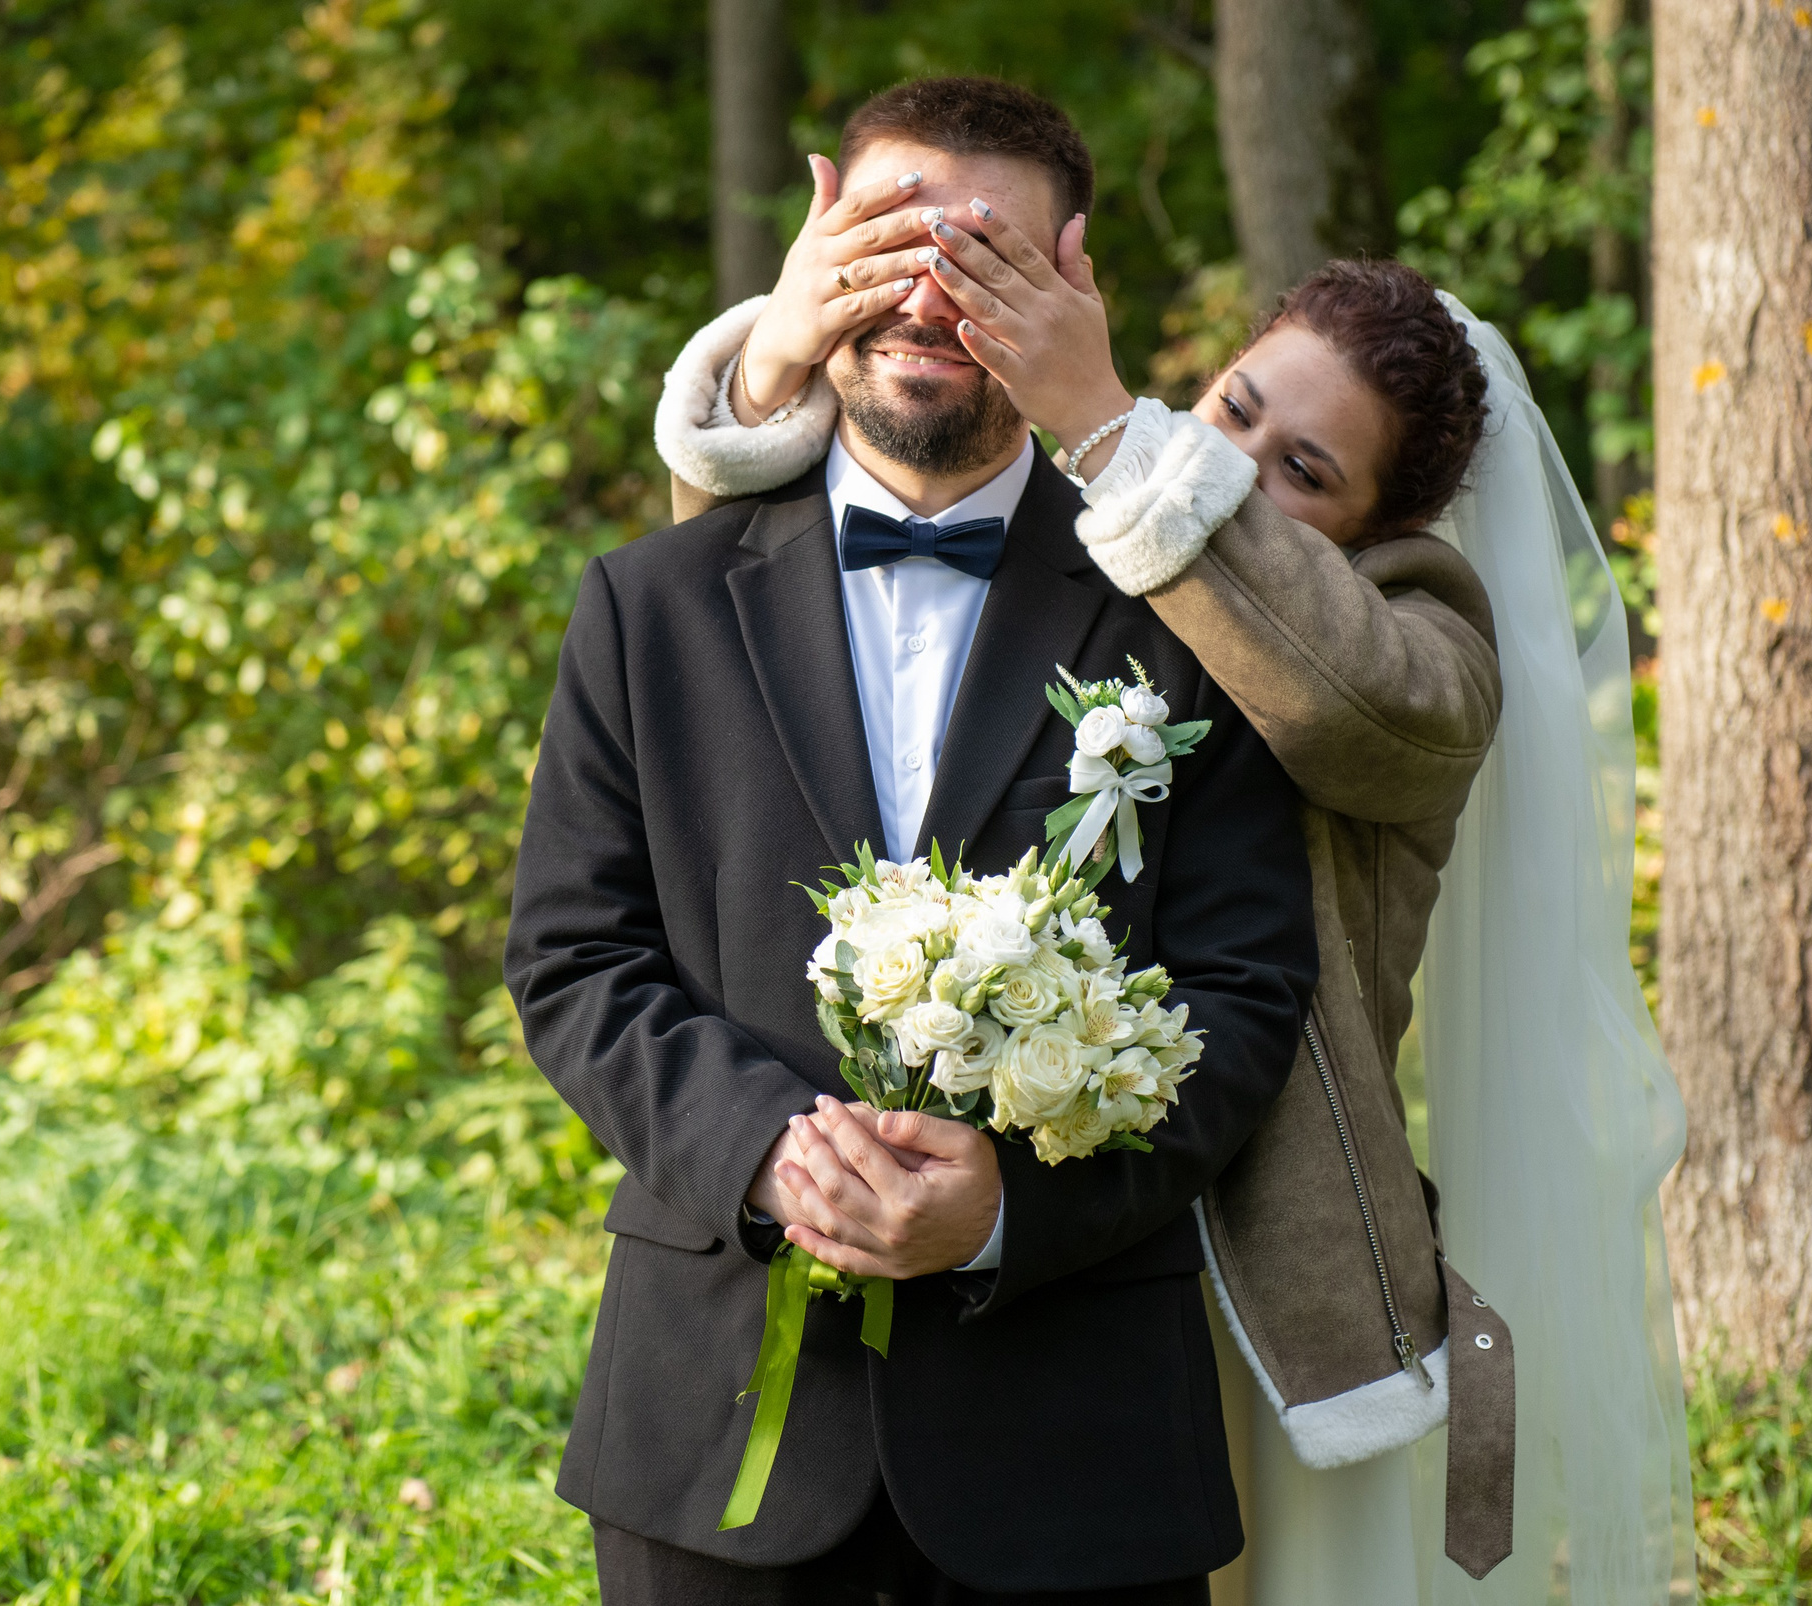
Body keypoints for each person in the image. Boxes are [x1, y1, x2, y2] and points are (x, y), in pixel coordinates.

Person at [656, 126, 1695, 1603]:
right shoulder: (1104, 534)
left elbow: (1339, 692)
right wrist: (766, 385)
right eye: (1236, 409)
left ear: (1385, 528)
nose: (1232, 469)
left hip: (1257, 1268)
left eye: (1304, 473)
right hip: (1026, 1248)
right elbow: (787, 684)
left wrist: (1102, 426)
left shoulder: (1418, 647)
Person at [504, 77, 1321, 1605]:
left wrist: (1009, 1203)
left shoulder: (1194, 618)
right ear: (814, 262)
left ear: (1073, 283)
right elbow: (572, 957)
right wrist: (767, 1149)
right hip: (717, 1437)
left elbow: (1246, 991)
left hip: (1080, 1442)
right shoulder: (649, 603)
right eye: (886, 243)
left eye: (986, 260)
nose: (927, 297)